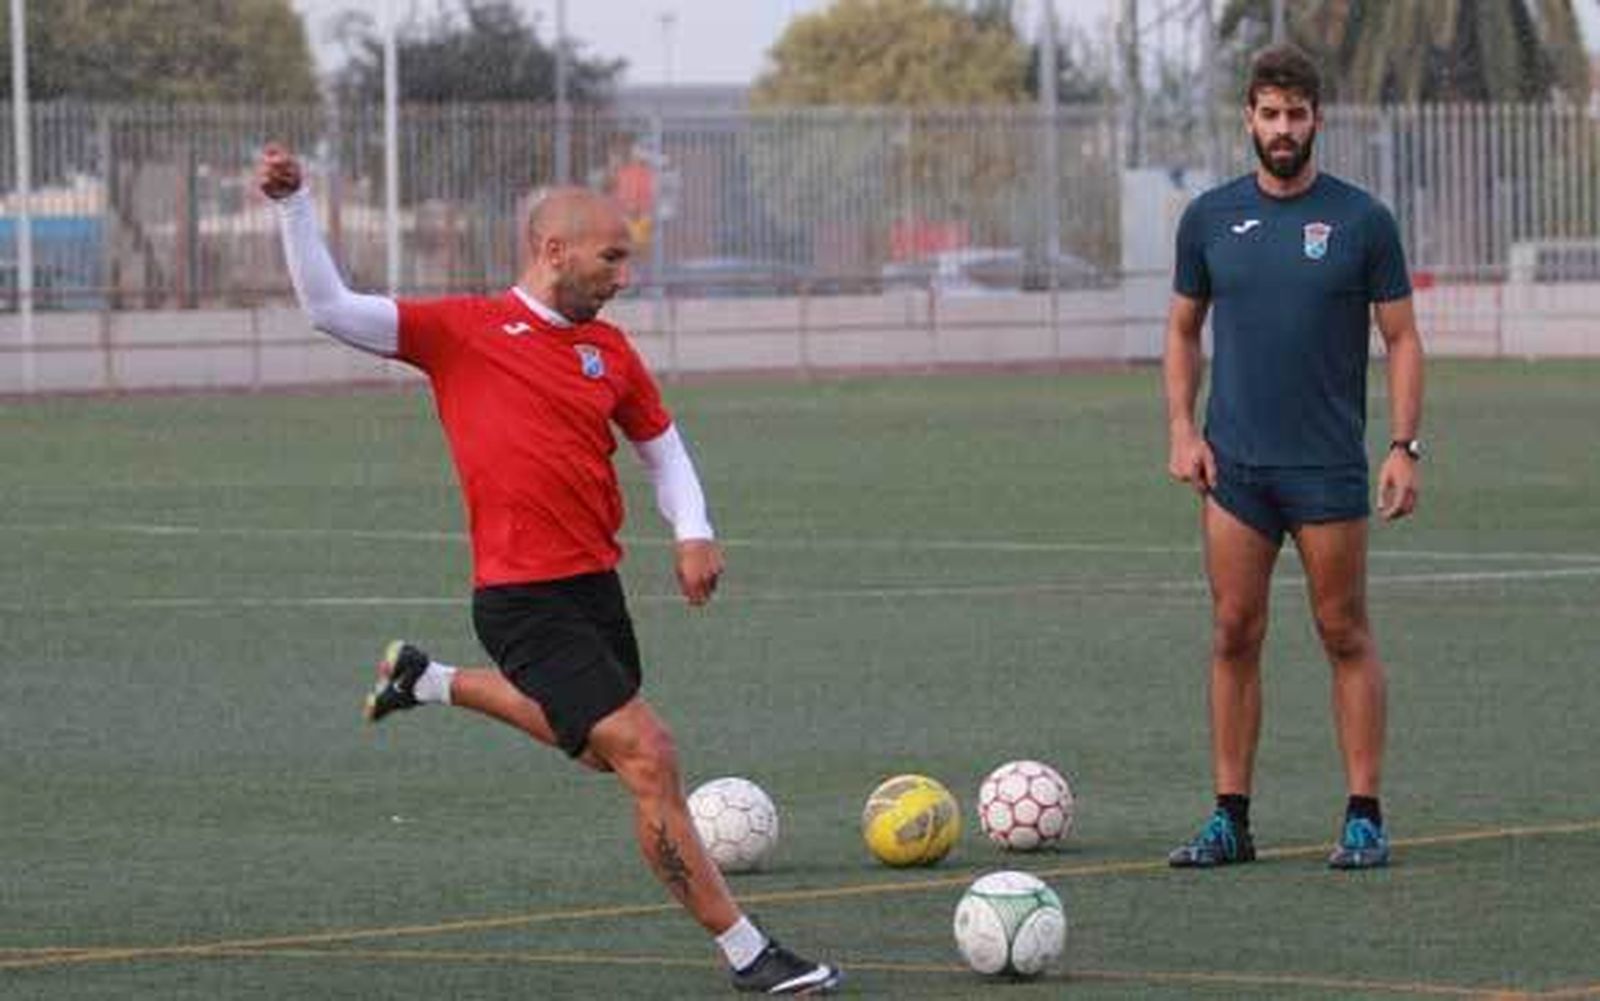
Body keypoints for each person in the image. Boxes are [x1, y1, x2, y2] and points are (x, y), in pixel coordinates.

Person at [257, 145, 840, 994]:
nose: (624, 274)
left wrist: (694, 529)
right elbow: (329, 308)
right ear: (552, 249)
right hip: (521, 599)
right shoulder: (461, 331)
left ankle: (426, 680)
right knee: (649, 757)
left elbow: (660, 445)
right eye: (612, 256)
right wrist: (293, 203)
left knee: (604, 756)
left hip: (593, 591)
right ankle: (751, 953)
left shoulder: (610, 350)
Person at [1161, 45, 1424, 871]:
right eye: (1269, 114)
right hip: (1235, 468)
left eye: (1296, 115)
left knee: (1343, 630)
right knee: (1234, 630)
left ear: (1317, 120)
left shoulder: (1362, 221)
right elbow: (1180, 329)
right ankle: (1230, 818)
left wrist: (1403, 446)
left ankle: (1363, 815)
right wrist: (1181, 427)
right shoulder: (1208, 218)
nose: (1283, 129)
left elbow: (1403, 338)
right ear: (1249, 117)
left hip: (1327, 470)